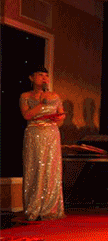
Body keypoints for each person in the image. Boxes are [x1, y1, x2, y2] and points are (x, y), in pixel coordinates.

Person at [19, 66, 66, 221]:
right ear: (32, 78)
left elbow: (61, 113)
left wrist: (59, 118)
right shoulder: (25, 96)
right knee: (35, 168)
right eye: (40, 75)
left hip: (51, 133)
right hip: (34, 133)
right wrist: (41, 104)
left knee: (51, 169)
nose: (44, 78)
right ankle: (33, 208)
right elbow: (27, 115)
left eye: (46, 75)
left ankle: (50, 209)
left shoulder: (55, 95)